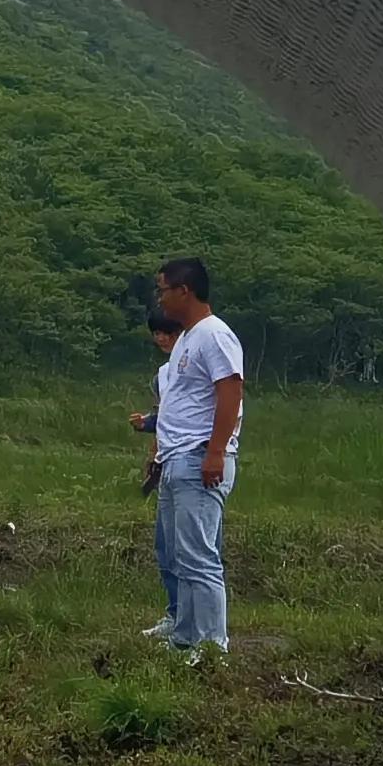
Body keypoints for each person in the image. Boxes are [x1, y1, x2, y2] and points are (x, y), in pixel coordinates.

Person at [126, 257, 244, 658]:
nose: (159, 297)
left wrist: (215, 452)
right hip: (177, 460)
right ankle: (186, 637)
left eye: (162, 289)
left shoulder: (214, 335)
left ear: (184, 291)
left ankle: (212, 647)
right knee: (179, 556)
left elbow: (230, 392)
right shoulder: (187, 341)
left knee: (199, 557)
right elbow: (182, 404)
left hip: (199, 459)